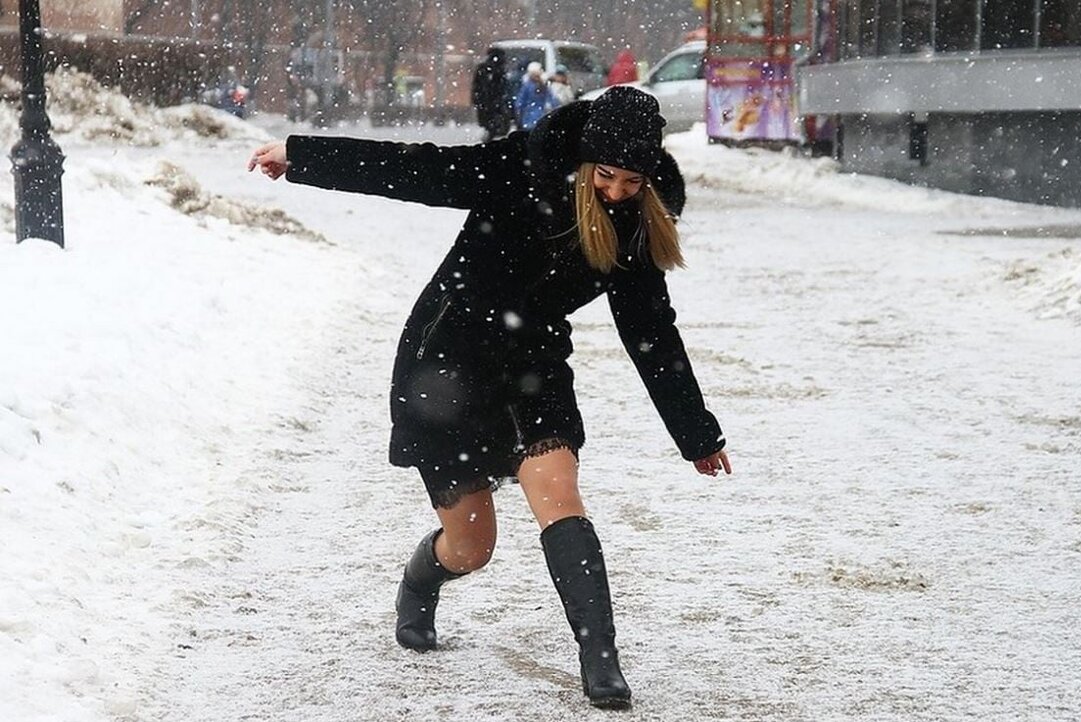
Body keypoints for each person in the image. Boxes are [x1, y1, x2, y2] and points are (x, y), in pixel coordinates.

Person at [246, 86, 732, 710]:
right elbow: (415, 168)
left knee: (560, 495)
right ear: (585, 161)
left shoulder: (636, 223)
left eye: (631, 181)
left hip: (534, 363)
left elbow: (650, 333)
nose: (615, 192)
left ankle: (600, 660)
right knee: (473, 548)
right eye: (605, 177)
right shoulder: (518, 169)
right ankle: (422, 581)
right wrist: (303, 156)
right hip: (448, 358)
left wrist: (696, 432)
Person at [471, 48, 510, 141]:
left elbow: (476, 86)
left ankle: (489, 142)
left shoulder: (483, 68)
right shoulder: (497, 70)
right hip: (493, 104)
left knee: (491, 127)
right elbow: (501, 87)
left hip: (486, 103)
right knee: (495, 128)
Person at [514, 61, 558, 131]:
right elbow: (553, 101)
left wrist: (519, 114)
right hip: (542, 118)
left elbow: (519, 103)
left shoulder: (527, 86)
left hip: (529, 119)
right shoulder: (543, 86)